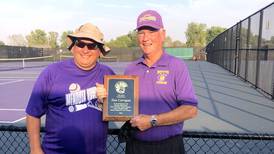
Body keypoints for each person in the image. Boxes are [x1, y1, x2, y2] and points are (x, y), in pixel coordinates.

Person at [97, 10, 198, 154]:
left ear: (162, 34)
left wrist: (153, 120)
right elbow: (124, 106)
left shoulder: (177, 66)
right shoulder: (131, 69)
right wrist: (105, 100)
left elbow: (190, 110)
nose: (145, 38)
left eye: (151, 31)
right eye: (141, 32)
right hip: (135, 146)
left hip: (169, 147)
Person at [25, 22, 115, 154]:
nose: (85, 50)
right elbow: (32, 113)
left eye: (91, 45)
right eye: (80, 44)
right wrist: (35, 149)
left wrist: (107, 102)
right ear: (73, 47)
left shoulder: (109, 75)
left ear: (99, 51)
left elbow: (120, 111)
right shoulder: (51, 73)